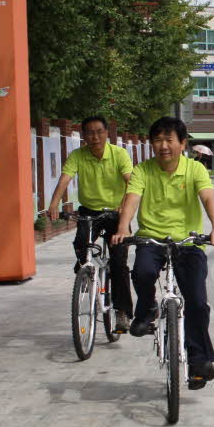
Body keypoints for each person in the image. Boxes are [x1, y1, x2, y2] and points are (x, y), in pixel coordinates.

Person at [112, 117, 214, 390]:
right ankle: (148, 308)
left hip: (188, 242)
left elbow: (208, 197)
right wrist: (123, 227)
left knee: (197, 302)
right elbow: (132, 198)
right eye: (158, 140)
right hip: (151, 238)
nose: (163, 146)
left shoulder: (195, 169)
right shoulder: (143, 170)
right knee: (142, 272)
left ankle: (198, 361)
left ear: (183, 144)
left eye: (169, 140)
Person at [46, 115, 135, 331]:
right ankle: (85, 272)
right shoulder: (78, 155)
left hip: (115, 213)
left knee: (119, 263)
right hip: (89, 212)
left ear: (106, 133)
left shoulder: (119, 154)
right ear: (84, 136)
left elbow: (130, 182)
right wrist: (54, 204)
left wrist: (124, 206)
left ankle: (122, 311)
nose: (95, 137)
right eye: (90, 133)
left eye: (99, 132)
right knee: (80, 244)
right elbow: (65, 179)